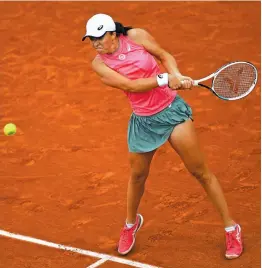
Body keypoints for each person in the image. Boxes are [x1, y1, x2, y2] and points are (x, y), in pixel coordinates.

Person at [82, 13, 243, 259]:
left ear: (113, 33)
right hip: (143, 122)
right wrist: (166, 78)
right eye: (91, 39)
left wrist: (175, 74)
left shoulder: (136, 36)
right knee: (137, 177)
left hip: (171, 113)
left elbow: (164, 55)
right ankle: (130, 224)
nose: (96, 43)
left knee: (200, 172)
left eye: (99, 37)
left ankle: (231, 228)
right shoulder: (99, 65)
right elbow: (131, 86)